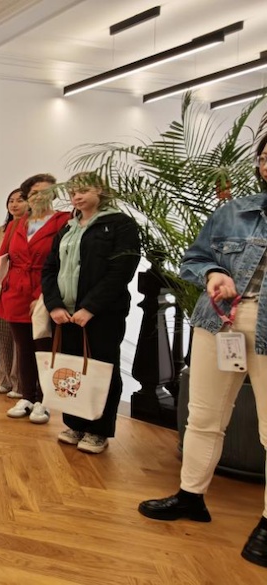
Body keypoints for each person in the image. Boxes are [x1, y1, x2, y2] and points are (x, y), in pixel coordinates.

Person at [138, 135, 267, 568]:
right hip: (219, 321)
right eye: (265, 157)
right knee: (204, 416)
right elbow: (193, 258)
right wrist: (212, 273)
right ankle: (190, 495)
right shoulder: (233, 211)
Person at [41, 173, 140, 454]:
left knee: (101, 369)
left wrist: (91, 307)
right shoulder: (68, 227)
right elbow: (50, 269)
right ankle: (74, 424)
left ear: (101, 190)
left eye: (83, 190)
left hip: (102, 315)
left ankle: (98, 431)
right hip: (65, 315)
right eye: (73, 192)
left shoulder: (120, 224)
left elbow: (121, 271)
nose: (77, 196)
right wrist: (55, 305)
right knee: (71, 370)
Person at [0, 173, 70, 424]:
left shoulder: (64, 221)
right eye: (33, 193)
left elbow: (62, 264)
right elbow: (3, 261)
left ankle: (44, 401)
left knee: (45, 350)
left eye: (45, 191)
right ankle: (27, 396)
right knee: (23, 349)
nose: (39, 197)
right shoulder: (15, 225)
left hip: (45, 292)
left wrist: (44, 296)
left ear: (54, 193)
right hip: (14, 293)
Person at [0, 188, 28, 397]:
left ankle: (20, 383)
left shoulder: (32, 229)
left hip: (22, 291)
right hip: (1, 289)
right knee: (2, 337)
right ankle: (4, 380)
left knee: (20, 340)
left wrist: (5, 258)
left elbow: (11, 259)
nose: (14, 204)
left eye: (20, 200)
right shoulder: (1, 231)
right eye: (11, 200)